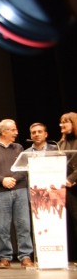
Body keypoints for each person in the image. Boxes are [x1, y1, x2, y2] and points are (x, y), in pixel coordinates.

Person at [0, 119, 34, 269]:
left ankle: (25, 256)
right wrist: (2, 180)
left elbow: (24, 168)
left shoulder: (18, 147)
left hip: (19, 190)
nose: (16, 133)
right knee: (2, 226)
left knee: (23, 224)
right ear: (3, 132)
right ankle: (5, 257)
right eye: (13, 130)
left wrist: (13, 180)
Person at [58, 112, 77, 262]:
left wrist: (71, 179)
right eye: (61, 122)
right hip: (67, 187)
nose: (62, 125)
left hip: (72, 182)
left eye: (66, 122)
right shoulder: (61, 144)